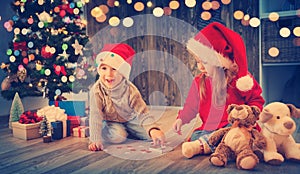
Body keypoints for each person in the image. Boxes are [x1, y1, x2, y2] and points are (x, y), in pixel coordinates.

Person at [172, 22, 265, 158]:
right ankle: (213, 144)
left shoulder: (240, 81)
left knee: (235, 135)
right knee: (198, 134)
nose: (200, 67)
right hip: (210, 128)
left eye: (205, 62)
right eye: (198, 62)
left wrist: (249, 117)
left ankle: (203, 146)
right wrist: (181, 119)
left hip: (236, 126)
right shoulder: (199, 81)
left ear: (220, 63)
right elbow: (191, 106)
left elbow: (256, 100)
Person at [88, 43, 165, 151]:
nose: (108, 74)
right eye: (104, 68)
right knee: (116, 136)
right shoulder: (97, 90)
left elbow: (143, 112)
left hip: (130, 118)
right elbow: (96, 115)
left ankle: (129, 131)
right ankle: (102, 130)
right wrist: (95, 139)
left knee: (150, 135)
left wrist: (153, 129)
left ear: (123, 72)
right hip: (110, 120)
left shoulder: (130, 90)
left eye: (114, 69)